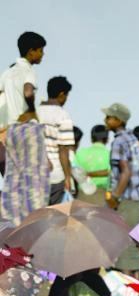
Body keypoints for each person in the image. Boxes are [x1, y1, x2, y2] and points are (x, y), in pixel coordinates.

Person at [103, 102, 139, 272]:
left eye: (109, 117)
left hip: (125, 201)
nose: (105, 120)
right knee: (132, 251)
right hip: (137, 200)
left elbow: (125, 172)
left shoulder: (119, 141)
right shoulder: (133, 139)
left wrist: (114, 198)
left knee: (123, 253)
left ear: (118, 120)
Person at [35, 76, 74, 204]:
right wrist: (68, 177)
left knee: (38, 219)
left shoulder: (35, 113)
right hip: (56, 176)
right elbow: (63, 150)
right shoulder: (63, 116)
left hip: (36, 175)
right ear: (62, 94)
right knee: (55, 219)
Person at [0, 32, 45, 128]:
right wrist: (32, 111)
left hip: (7, 129)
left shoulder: (7, 73)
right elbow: (28, 93)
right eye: (40, 51)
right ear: (31, 51)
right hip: (23, 126)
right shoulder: (29, 70)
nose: (43, 54)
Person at [74, 124, 110, 202]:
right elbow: (111, 172)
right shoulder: (110, 154)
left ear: (91, 139)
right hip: (101, 195)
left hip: (82, 194)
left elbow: (74, 171)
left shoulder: (80, 153)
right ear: (107, 139)